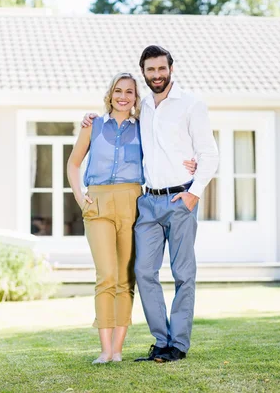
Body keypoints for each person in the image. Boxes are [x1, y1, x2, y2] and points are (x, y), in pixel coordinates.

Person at [81, 46, 219, 363]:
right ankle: (160, 341)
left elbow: (209, 154)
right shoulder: (144, 108)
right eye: (150, 70)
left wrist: (194, 191)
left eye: (161, 69)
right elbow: (115, 117)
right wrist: (90, 118)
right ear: (144, 72)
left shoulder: (191, 105)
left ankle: (178, 344)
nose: (156, 75)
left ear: (171, 68)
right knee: (144, 272)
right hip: (148, 202)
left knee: (183, 274)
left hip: (180, 198)